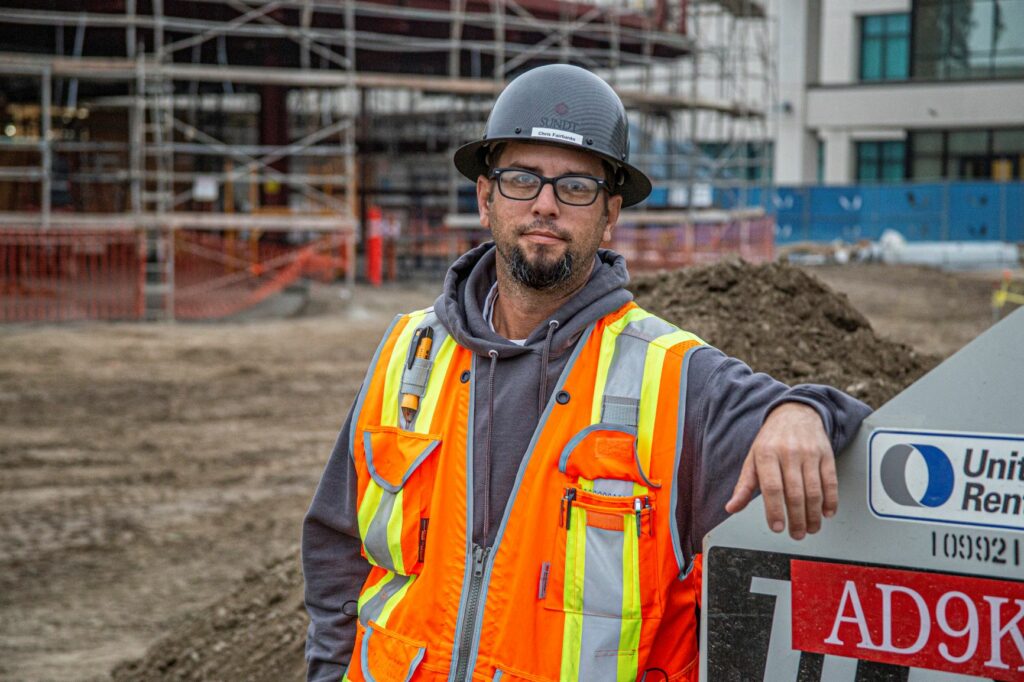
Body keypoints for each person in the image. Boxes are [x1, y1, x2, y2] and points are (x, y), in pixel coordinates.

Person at [302, 64, 871, 682]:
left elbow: (854, 436)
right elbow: (337, 548)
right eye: (521, 180)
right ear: (485, 195)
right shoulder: (407, 351)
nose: (545, 204)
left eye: (575, 186)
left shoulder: (676, 379)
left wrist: (803, 411)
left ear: (609, 213)